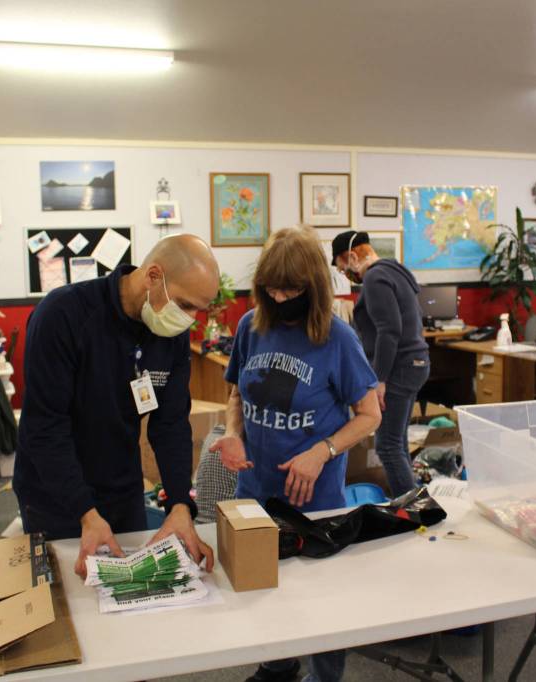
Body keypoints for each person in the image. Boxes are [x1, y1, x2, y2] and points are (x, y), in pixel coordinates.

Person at [211, 226, 381, 682]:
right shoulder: (251, 326)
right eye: (271, 288)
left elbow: (369, 415)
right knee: (265, 591)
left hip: (315, 497)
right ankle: (277, 666)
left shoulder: (337, 339)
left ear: (314, 286)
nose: (280, 296)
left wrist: (322, 452)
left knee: (322, 606)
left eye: (291, 288)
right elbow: (235, 393)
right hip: (257, 490)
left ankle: (325, 677)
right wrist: (232, 432)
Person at [14, 234, 220, 578]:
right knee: (69, 604)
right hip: (55, 492)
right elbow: (44, 428)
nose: (189, 319)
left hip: (122, 487)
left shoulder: (170, 333)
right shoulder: (63, 315)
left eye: (198, 309)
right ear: (153, 276)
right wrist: (86, 513)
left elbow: (170, 424)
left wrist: (180, 504)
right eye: (184, 305)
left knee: (134, 594)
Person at [331, 230, 430, 498]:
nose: (345, 274)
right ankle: (416, 503)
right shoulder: (395, 270)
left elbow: (389, 331)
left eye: (342, 267)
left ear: (352, 256)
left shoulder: (375, 277)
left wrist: (379, 380)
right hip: (415, 363)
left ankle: (413, 513)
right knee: (396, 443)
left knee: (386, 446)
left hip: (398, 368)